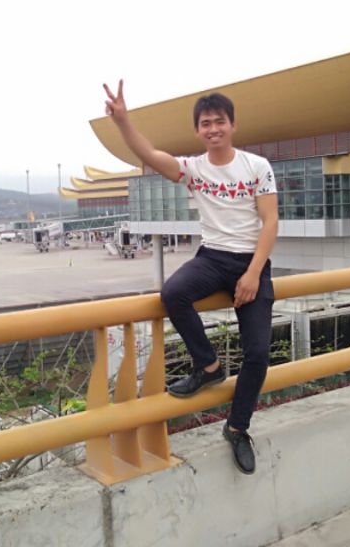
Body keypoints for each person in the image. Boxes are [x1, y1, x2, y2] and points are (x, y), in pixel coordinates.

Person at [103, 80, 278, 475]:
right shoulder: (194, 169)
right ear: (198, 130)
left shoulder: (257, 167)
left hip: (251, 261)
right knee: (173, 293)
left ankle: (237, 428)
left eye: (219, 121)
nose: (213, 129)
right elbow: (148, 154)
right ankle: (209, 367)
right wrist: (123, 121)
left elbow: (270, 222)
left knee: (257, 353)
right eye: (205, 124)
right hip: (212, 257)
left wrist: (253, 274)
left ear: (232, 125)